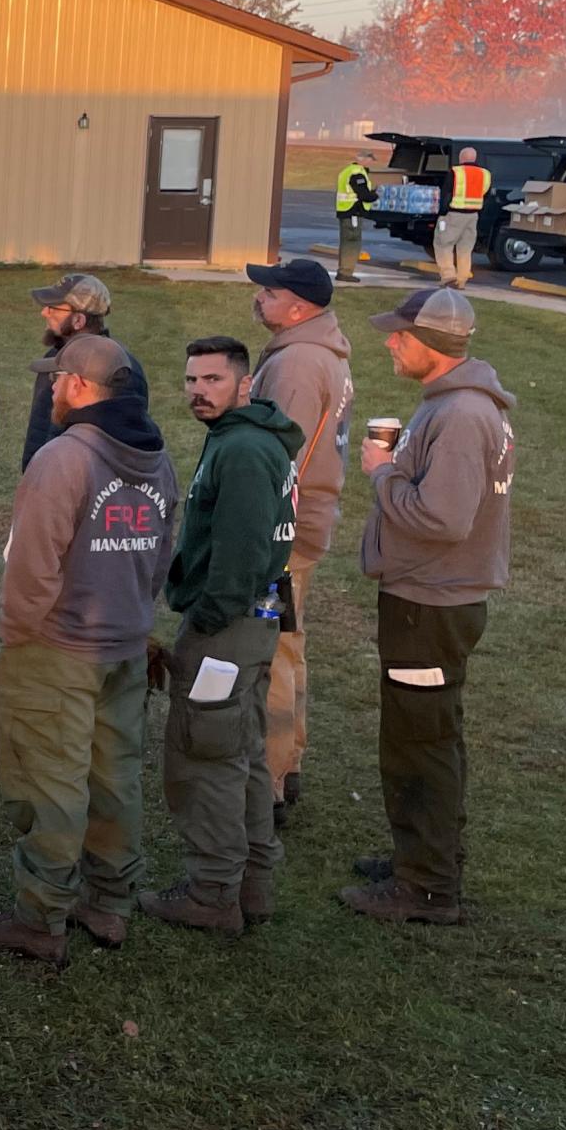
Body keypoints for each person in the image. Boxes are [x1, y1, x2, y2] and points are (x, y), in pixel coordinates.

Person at [0, 333, 177, 967]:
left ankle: (40, 918)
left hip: (57, 648)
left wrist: (16, 635)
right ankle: (109, 904)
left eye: (56, 379)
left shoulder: (64, 458)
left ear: (81, 387)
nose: (51, 389)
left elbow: (32, 566)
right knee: (115, 779)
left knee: (49, 786)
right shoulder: (157, 456)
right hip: (125, 643)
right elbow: (163, 552)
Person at [345, 289, 515, 925]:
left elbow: (443, 518)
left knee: (422, 743)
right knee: (426, 735)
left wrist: (382, 473)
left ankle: (426, 886)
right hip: (434, 597)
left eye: (400, 334)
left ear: (433, 343)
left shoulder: (463, 415)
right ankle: (422, 857)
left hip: (431, 600)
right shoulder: (458, 405)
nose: (390, 341)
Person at [143, 337, 300, 937]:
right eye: (190, 381)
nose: (197, 391)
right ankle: (254, 884)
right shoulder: (256, 440)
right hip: (255, 625)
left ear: (245, 384)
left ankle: (212, 894)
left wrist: (205, 619)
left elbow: (241, 550)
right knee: (245, 753)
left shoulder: (240, 450)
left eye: (212, 379)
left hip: (227, 628)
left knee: (205, 758)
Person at [246, 258, 355, 824]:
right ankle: (290, 764)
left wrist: (257, 532)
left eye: (269, 291)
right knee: (289, 642)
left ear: (298, 306)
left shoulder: (297, 365)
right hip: (307, 523)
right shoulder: (323, 351)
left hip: (280, 533)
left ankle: (269, 780)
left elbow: (277, 458)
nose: (259, 299)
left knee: (269, 651)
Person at [20, 274, 151, 475]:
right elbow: (41, 427)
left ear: (78, 320)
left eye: (54, 308)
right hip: (46, 479)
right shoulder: (53, 359)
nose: (44, 312)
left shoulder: (120, 371)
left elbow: (123, 446)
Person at [433, 147, 492, 289]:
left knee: (443, 244)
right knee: (465, 249)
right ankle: (462, 280)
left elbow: (446, 193)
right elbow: (486, 195)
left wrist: (442, 212)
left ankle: (448, 277)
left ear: (461, 159)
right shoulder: (485, 174)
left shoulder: (455, 172)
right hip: (473, 216)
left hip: (454, 214)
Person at [334, 156, 378, 283]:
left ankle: (344, 271)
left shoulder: (348, 170)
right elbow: (364, 195)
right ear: (363, 159)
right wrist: (375, 195)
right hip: (353, 211)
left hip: (346, 210)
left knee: (347, 241)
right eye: (369, 160)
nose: (370, 163)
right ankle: (346, 272)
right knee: (352, 243)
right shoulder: (357, 173)